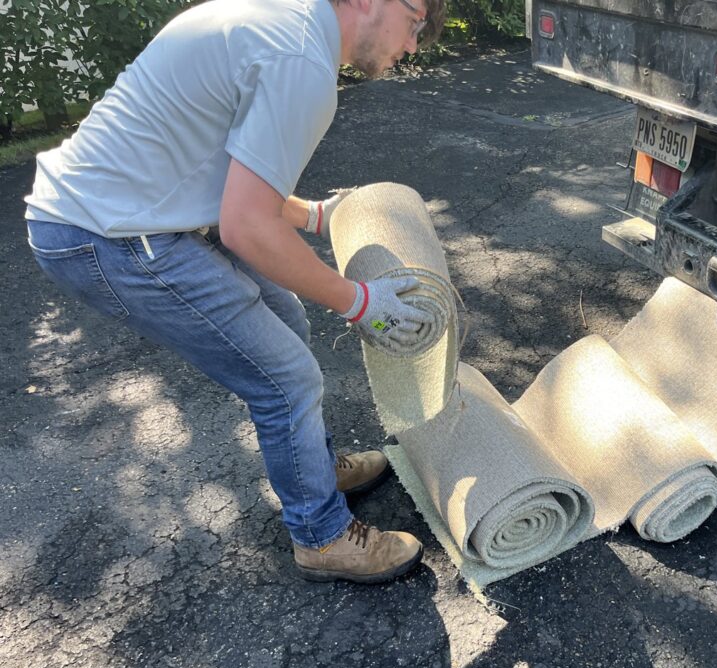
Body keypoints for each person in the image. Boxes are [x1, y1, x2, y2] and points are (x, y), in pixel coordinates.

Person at [23, 0, 446, 584]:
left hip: (131, 215)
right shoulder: (301, 57)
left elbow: (225, 164)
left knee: (286, 320)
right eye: (417, 22)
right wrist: (360, 302)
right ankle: (322, 537)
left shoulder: (282, 23)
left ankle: (315, 470)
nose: (414, 46)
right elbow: (245, 226)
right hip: (107, 233)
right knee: (286, 378)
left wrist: (317, 217)